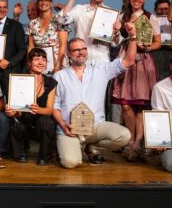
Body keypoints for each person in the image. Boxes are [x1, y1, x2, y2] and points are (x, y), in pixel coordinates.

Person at [52, 25, 137, 168]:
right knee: (70, 163)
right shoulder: (59, 76)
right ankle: (77, 146)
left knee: (124, 136)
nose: (80, 52)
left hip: (96, 126)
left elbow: (129, 61)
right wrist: (63, 125)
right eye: (76, 50)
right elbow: (55, 106)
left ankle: (90, 145)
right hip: (70, 128)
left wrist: (133, 36)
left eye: (83, 49)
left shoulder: (101, 70)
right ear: (68, 53)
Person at [112, 0, 162, 161]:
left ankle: (137, 143)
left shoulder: (151, 18)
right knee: (126, 105)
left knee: (141, 105)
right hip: (126, 60)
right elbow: (115, 41)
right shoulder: (122, 16)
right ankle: (130, 139)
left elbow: (157, 42)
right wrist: (116, 30)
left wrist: (149, 46)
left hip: (143, 62)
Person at [5, 48, 58, 165]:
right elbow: (18, 111)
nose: (41, 62)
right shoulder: (18, 80)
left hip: (41, 126)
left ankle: (44, 155)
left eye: (44, 59)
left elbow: (49, 110)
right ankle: (21, 152)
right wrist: (13, 112)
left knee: (46, 121)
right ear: (29, 62)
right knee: (13, 122)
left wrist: (38, 109)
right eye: (36, 59)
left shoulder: (50, 82)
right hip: (25, 124)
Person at [58, 0, 122, 62]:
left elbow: (115, 43)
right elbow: (62, 20)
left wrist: (116, 32)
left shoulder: (112, 13)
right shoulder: (79, 9)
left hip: (102, 60)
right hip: (81, 59)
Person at [28, 0, 69, 74]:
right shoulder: (32, 23)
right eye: (41, 0)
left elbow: (63, 45)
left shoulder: (60, 20)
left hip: (58, 65)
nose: (43, 3)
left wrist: (58, 65)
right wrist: (30, 65)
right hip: (39, 65)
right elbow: (31, 47)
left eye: (46, 0)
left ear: (51, 3)